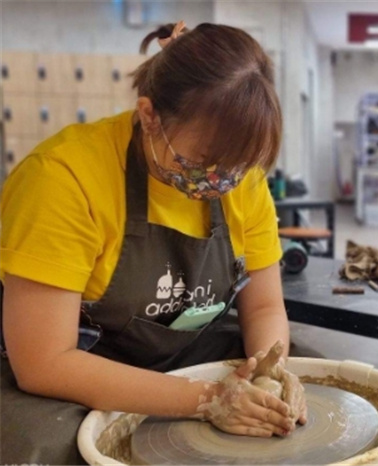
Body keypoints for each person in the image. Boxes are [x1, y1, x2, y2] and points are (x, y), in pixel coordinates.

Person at [0, 22, 308, 463]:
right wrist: (205, 400)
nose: (222, 181)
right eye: (204, 161)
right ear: (149, 115)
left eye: (237, 165)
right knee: (49, 448)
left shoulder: (244, 181)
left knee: (305, 392)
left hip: (185, 349)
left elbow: (263, 308)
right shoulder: (62, 178)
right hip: (73, 364)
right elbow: (43, 362)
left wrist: (269, 374)